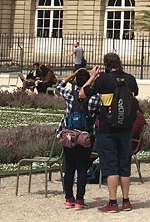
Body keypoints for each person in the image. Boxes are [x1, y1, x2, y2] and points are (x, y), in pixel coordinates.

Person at [81, 52, 140, 212]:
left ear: (106, 64)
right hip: (126, 128)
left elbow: (83, 93)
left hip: (107, 127)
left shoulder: (104, 79)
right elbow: (135, 93)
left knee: (111, 166)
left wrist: (93, 76)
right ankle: (126, 201)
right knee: (125, 165)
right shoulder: (130, 78)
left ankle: (113, 202)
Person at [56, 68, 96, 209]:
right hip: (85, 136)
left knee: (69, 168)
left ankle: (68, 199)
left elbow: (58, 85)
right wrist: (93, 78)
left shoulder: (70, 94)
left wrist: (73, 74)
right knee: (82, 169)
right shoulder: (94, 98)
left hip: (69, 134)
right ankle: (79, 200)